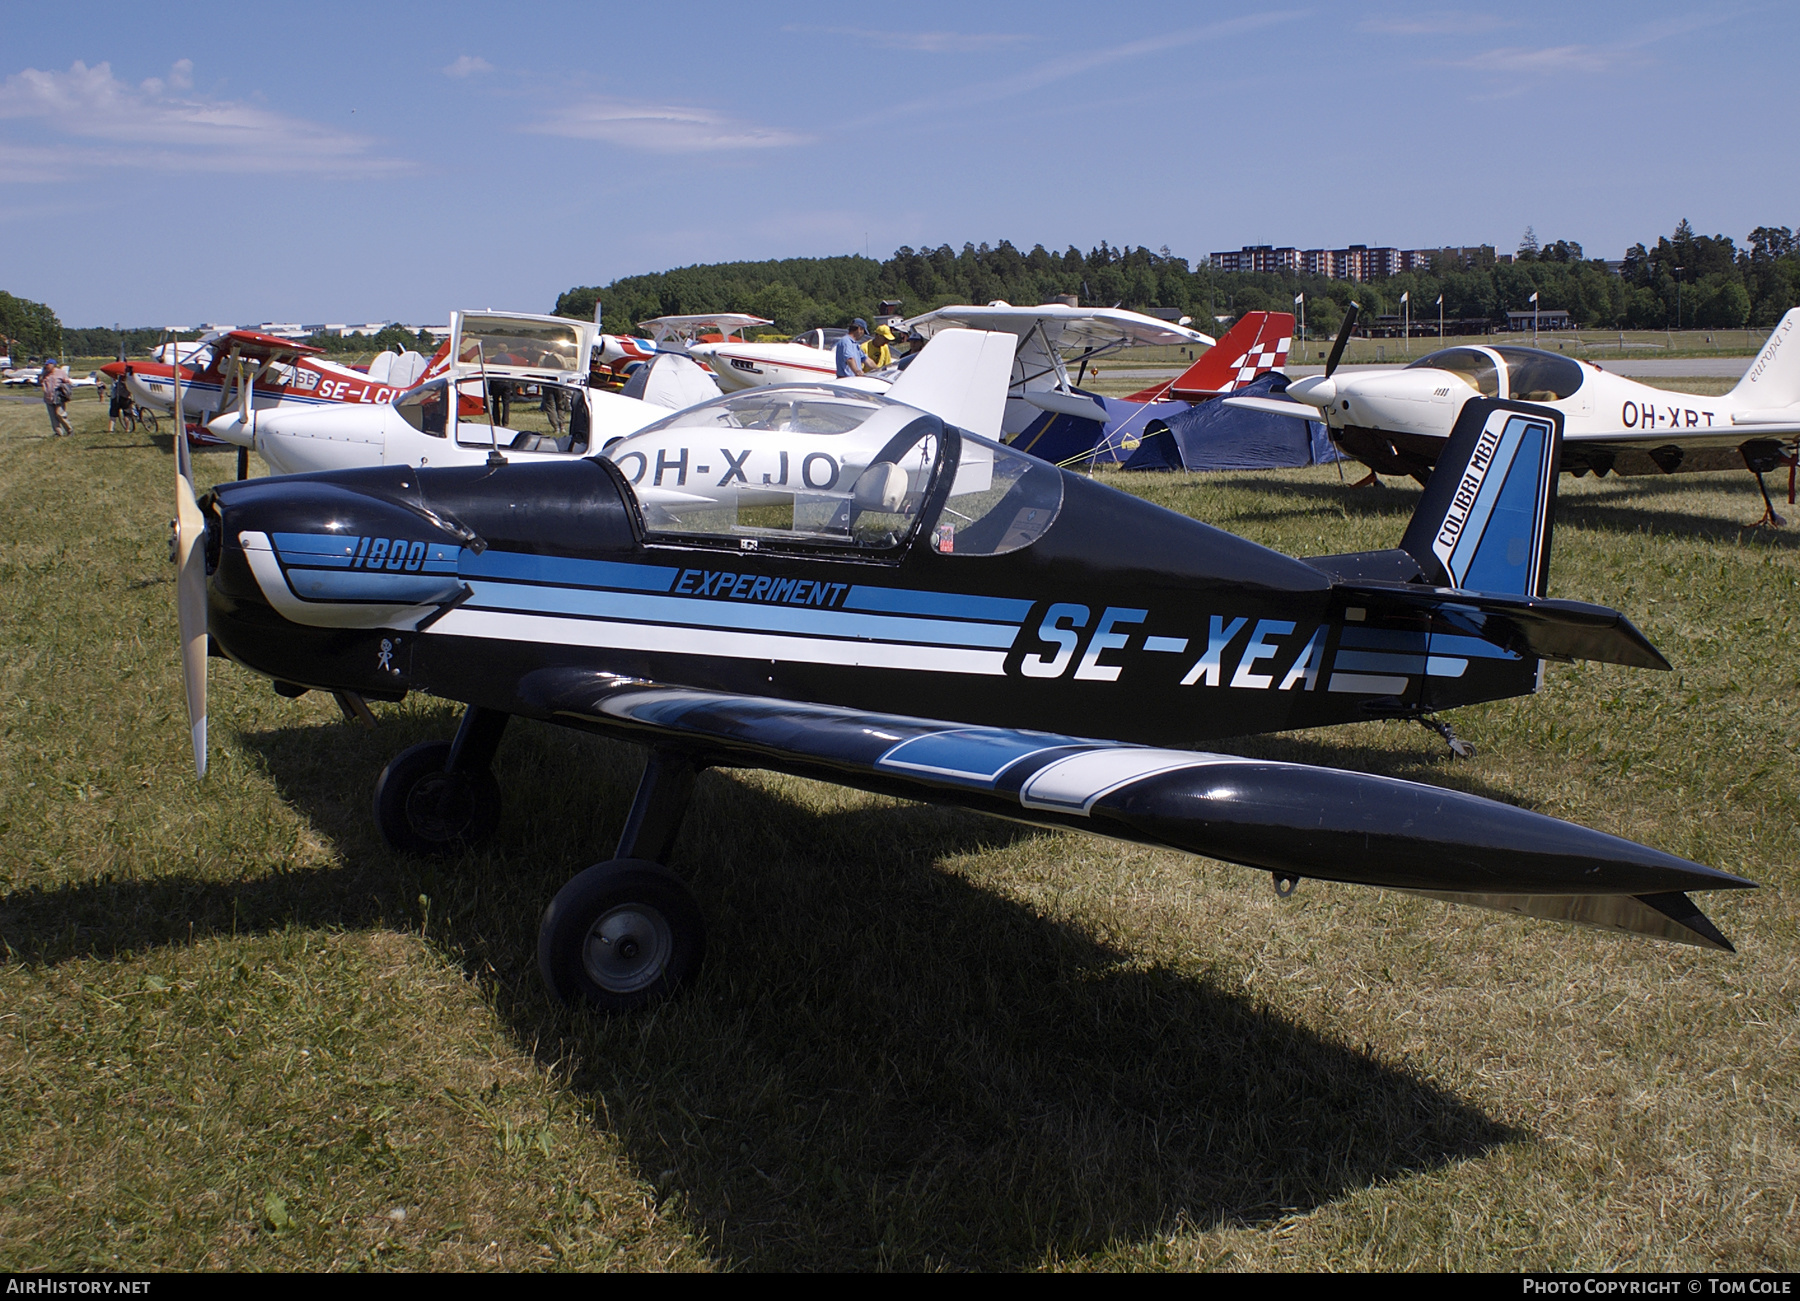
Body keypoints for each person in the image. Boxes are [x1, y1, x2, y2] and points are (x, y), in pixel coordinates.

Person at [39, 360, 74, 437]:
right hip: (48, 397)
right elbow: (40, 382)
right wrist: (42, 376)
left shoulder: (60, 372)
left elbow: (68, 382)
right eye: (46, 365)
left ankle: (69, 430)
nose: (46, 366)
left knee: (60, 414)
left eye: (48, 365)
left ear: (53, 365)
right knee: (53, 417)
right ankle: (58, 433)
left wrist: (65, 391)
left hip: (58, 397)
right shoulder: (44, 373)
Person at [108, 369, 131, 433]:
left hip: (115, 398)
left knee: (113, 415)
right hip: (125, 398)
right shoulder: (128, 380)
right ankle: (127, 429)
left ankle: (111, 430)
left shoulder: (115, 378)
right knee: (127, 414)